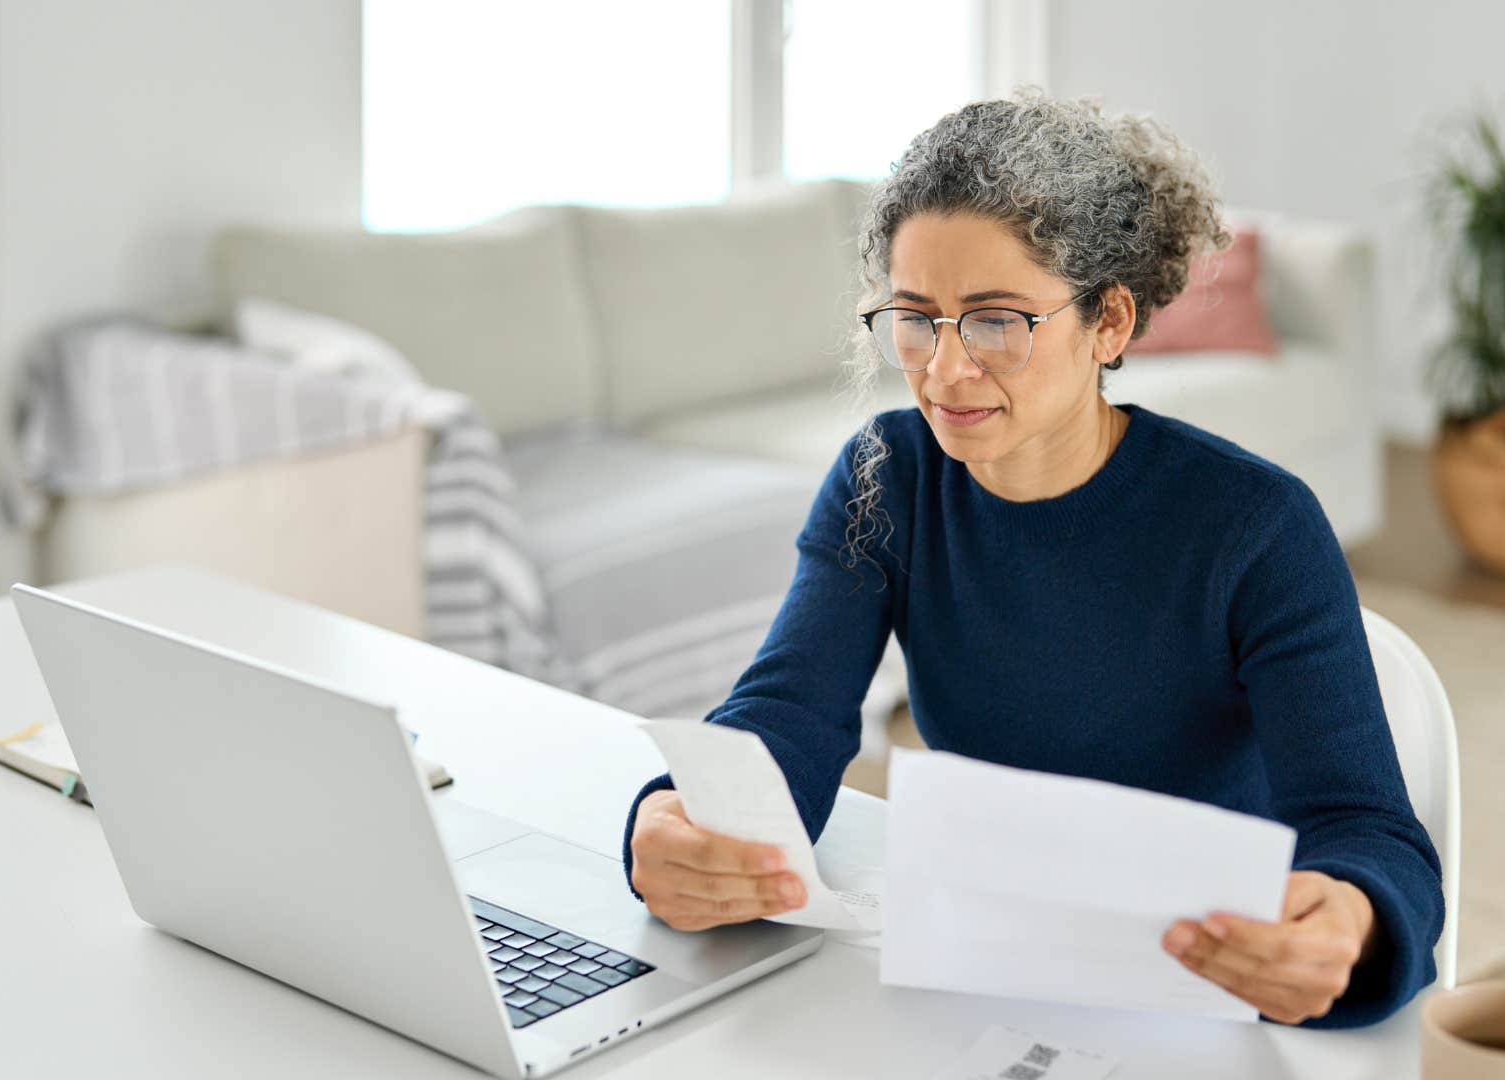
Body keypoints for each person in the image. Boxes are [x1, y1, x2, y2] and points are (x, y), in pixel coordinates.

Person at [617, 87, 1443, 1029]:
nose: (943, 369)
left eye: (997, 320)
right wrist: (680, 823)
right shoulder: (890, 478)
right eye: (916, 317)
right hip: (993, 959)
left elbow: (1369, 832)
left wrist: (1351, 920)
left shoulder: (1256, 528)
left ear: (1110, 323)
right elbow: (785, 716)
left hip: (1211, 983)